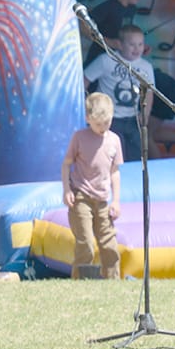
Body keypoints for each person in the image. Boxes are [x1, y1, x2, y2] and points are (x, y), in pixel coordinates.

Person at [61, 92, 123, 280]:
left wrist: (116, 201)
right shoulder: (79, 137)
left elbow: (114, 172)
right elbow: (66, 164)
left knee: (109, 244)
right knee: (86, 243)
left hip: (103, 200)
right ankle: (81, 281)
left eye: (107, 123)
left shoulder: (114, 140)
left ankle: (113, 282)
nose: (103, 128)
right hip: (81, 197)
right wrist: (67, 190)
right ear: (88, 119)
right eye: (98, 125)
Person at [83, 24, 155, 163]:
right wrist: (87, 105)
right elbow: (84, 80)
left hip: (132, 119)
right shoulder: (105, 60)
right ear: (120, 45)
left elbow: (149, 93)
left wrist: (145, 114)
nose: (137, 48)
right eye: (132, 44)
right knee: (112, 155)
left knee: (135, 154)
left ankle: (133, 182)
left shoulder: (146, 67)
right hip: (109, 118)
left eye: (140, 44)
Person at [82, 0, 149, 66]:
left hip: (115, 63)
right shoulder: (107, 7)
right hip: (97, 61)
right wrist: (108, 42)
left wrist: (137, 47)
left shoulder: (131, 9)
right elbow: (83, 27)